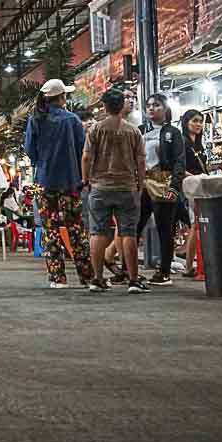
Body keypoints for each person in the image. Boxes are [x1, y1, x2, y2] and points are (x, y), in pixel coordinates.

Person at [24, 78, 96, 290]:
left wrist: (42, 162)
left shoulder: (35, 119)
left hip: (44, 182)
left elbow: (30, 150)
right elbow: (82, 150)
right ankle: (87, 277)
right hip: (70, 182)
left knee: (50, 230)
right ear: (61, 97)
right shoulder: (72, 120)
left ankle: (57, 277)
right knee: (76, 229)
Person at [82, 88, 146, 294]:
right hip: (127, 188)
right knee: (128, 232)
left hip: (99, 188)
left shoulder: (95, 129)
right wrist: (140, 183)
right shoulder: (133, 131)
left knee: (98, 232)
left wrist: (86, 180)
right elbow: (141, 160)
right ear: (122, 106)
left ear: (104, 106)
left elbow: (86, 157)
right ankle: (134, 281)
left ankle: (97, 278)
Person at [136, 93, 184, 286]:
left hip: (163, 184)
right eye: (148, 105)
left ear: (165, 109)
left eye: (156, 105)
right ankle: (128, 270)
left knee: (165, 229)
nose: (151, 109)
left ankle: (164, 271)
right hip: (142, 185)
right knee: (134, 227)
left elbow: (180, 161)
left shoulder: (172, 132)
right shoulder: (140, 131)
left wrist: (175, 187)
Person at [180, 108, 208, 278]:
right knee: (195, 224)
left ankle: (190, 265)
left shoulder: (198, 143)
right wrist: (196, 178)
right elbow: (179, 167)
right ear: (186, 122)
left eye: (200, 121)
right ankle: (189, 266)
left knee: (196, 224)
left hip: (201, 185)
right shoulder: (183, 142)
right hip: (191, 186)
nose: (198, 124)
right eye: (195, 121)